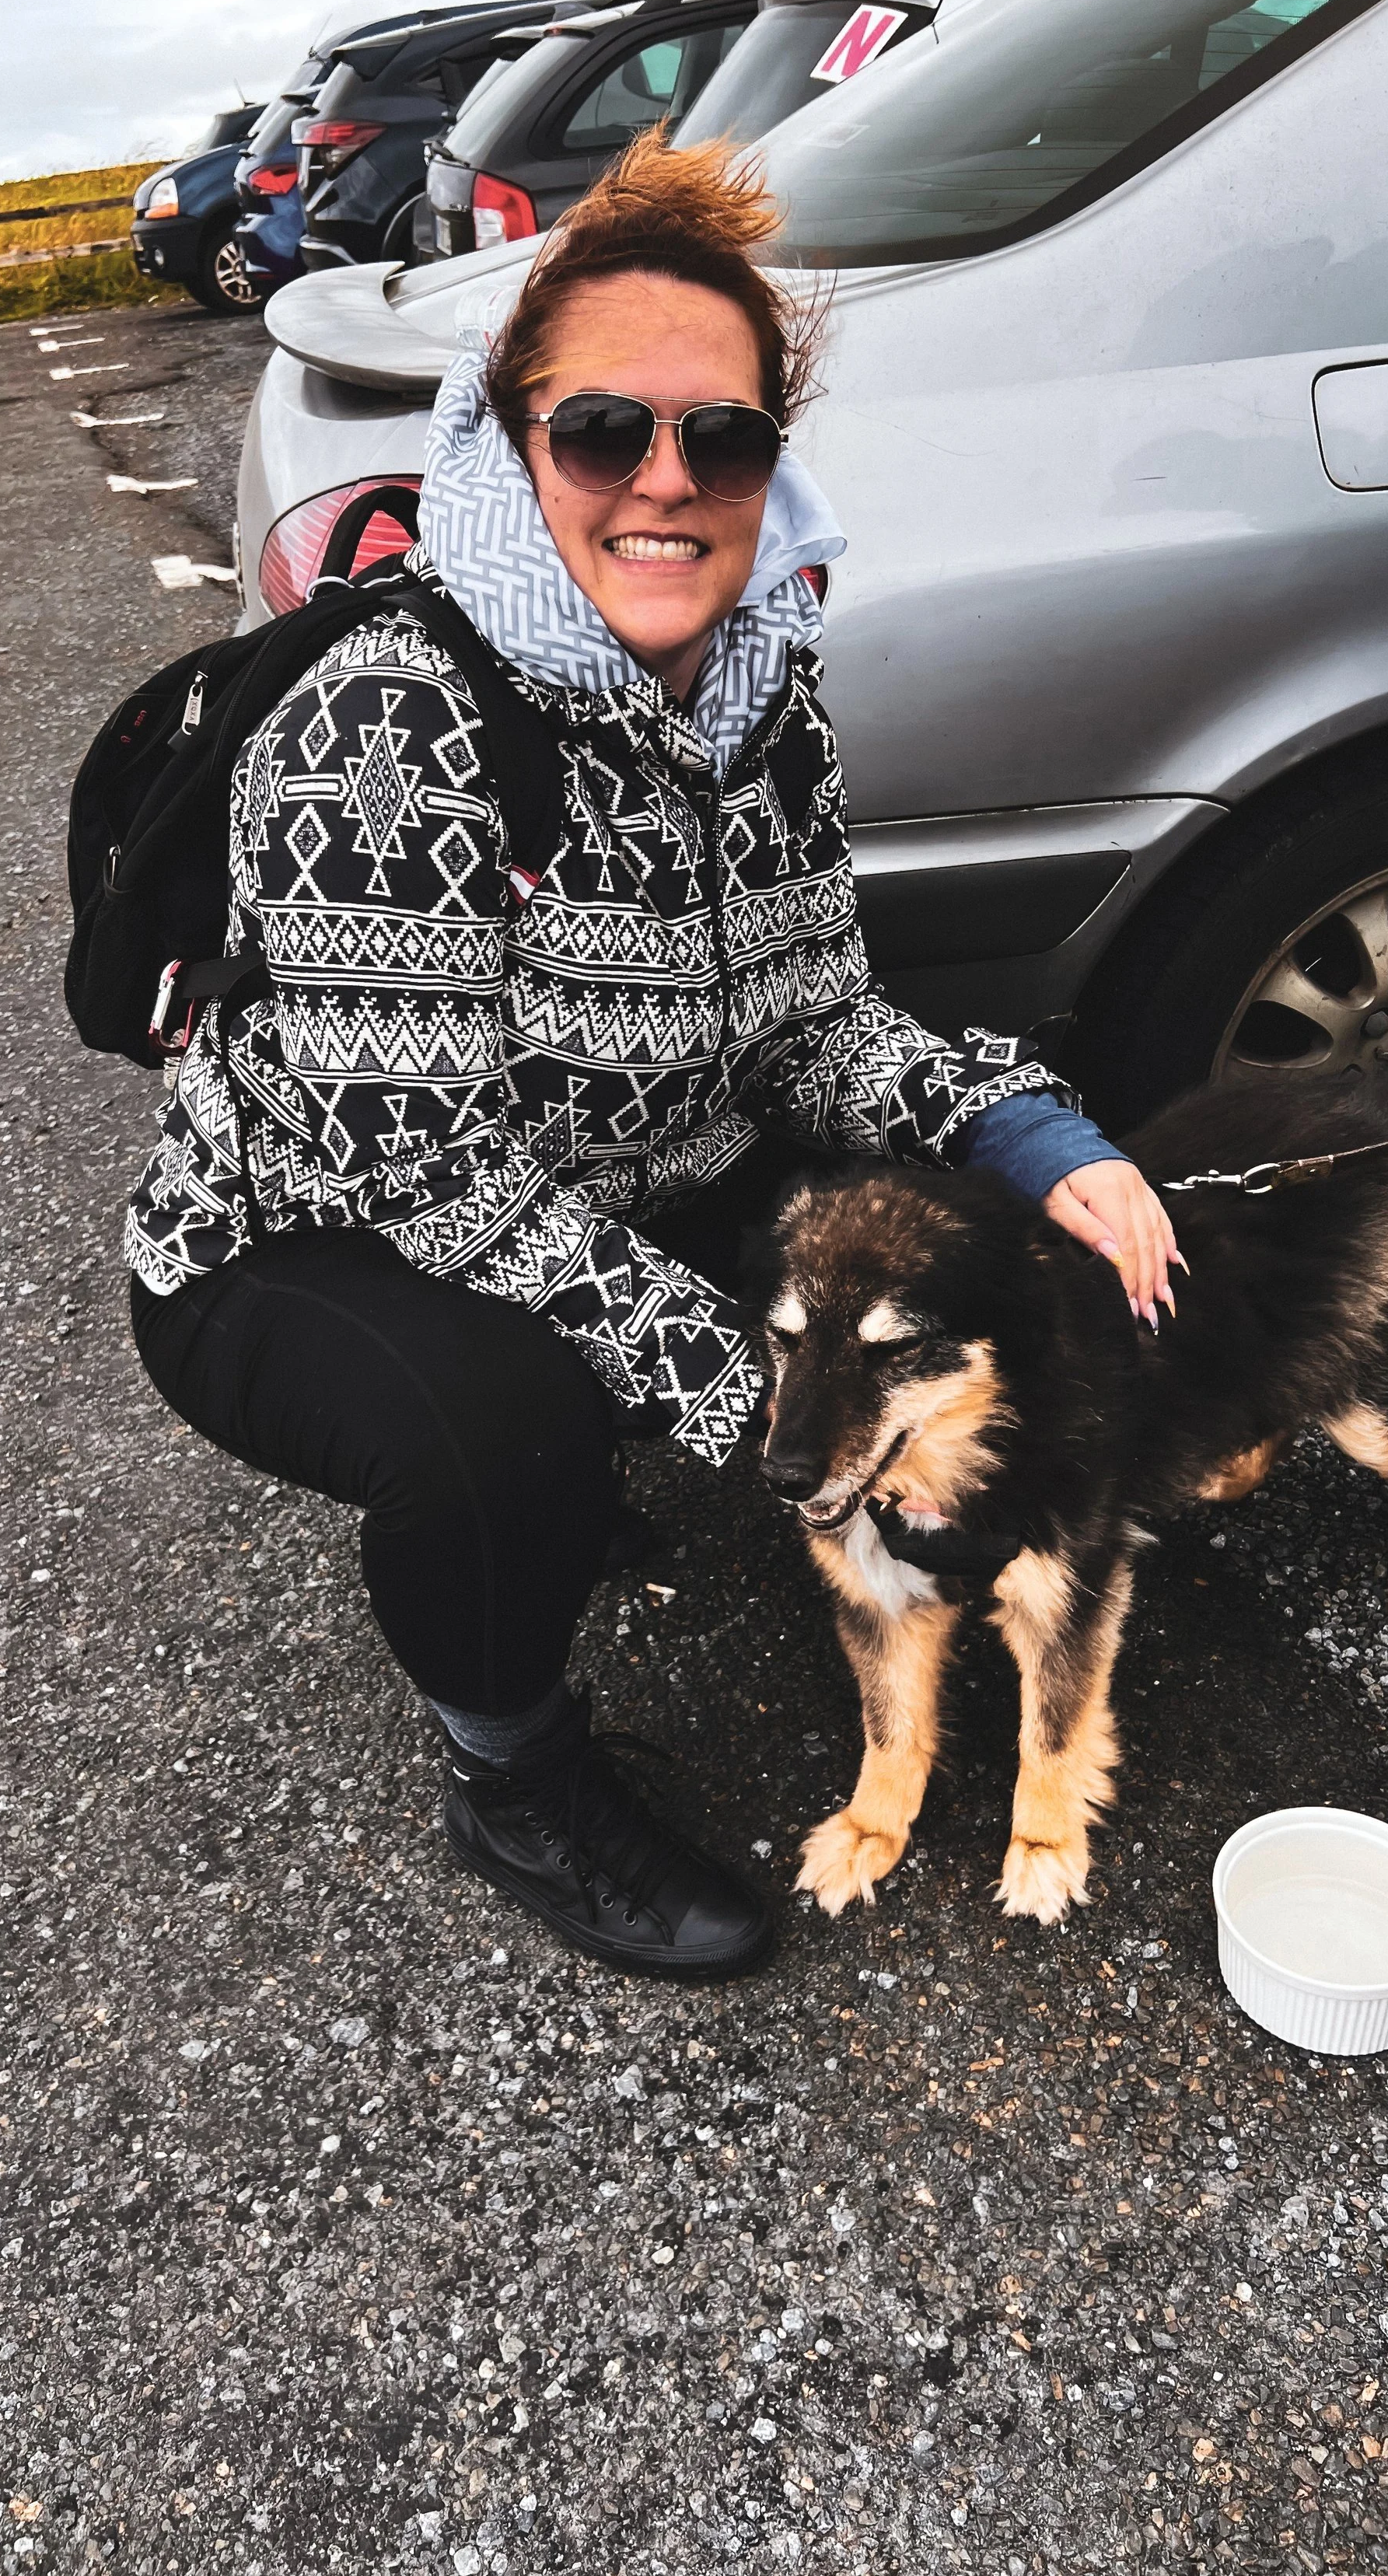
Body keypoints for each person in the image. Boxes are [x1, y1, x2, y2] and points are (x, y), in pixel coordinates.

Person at [125, 135, 1180, 1981]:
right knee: (496, 1428)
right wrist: (784, 1425)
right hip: (303, 1241)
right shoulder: (393, 724)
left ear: (777, 470)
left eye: (728, 439)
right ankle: (511, 1774)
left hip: (618, 1178)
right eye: (603, 429)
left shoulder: (763, 705)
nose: (667, 481)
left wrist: (1036, 1138)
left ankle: (681, 1478)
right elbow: (433, 1175)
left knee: (911, 1238)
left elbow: (821, 1024)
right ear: (507, 448)